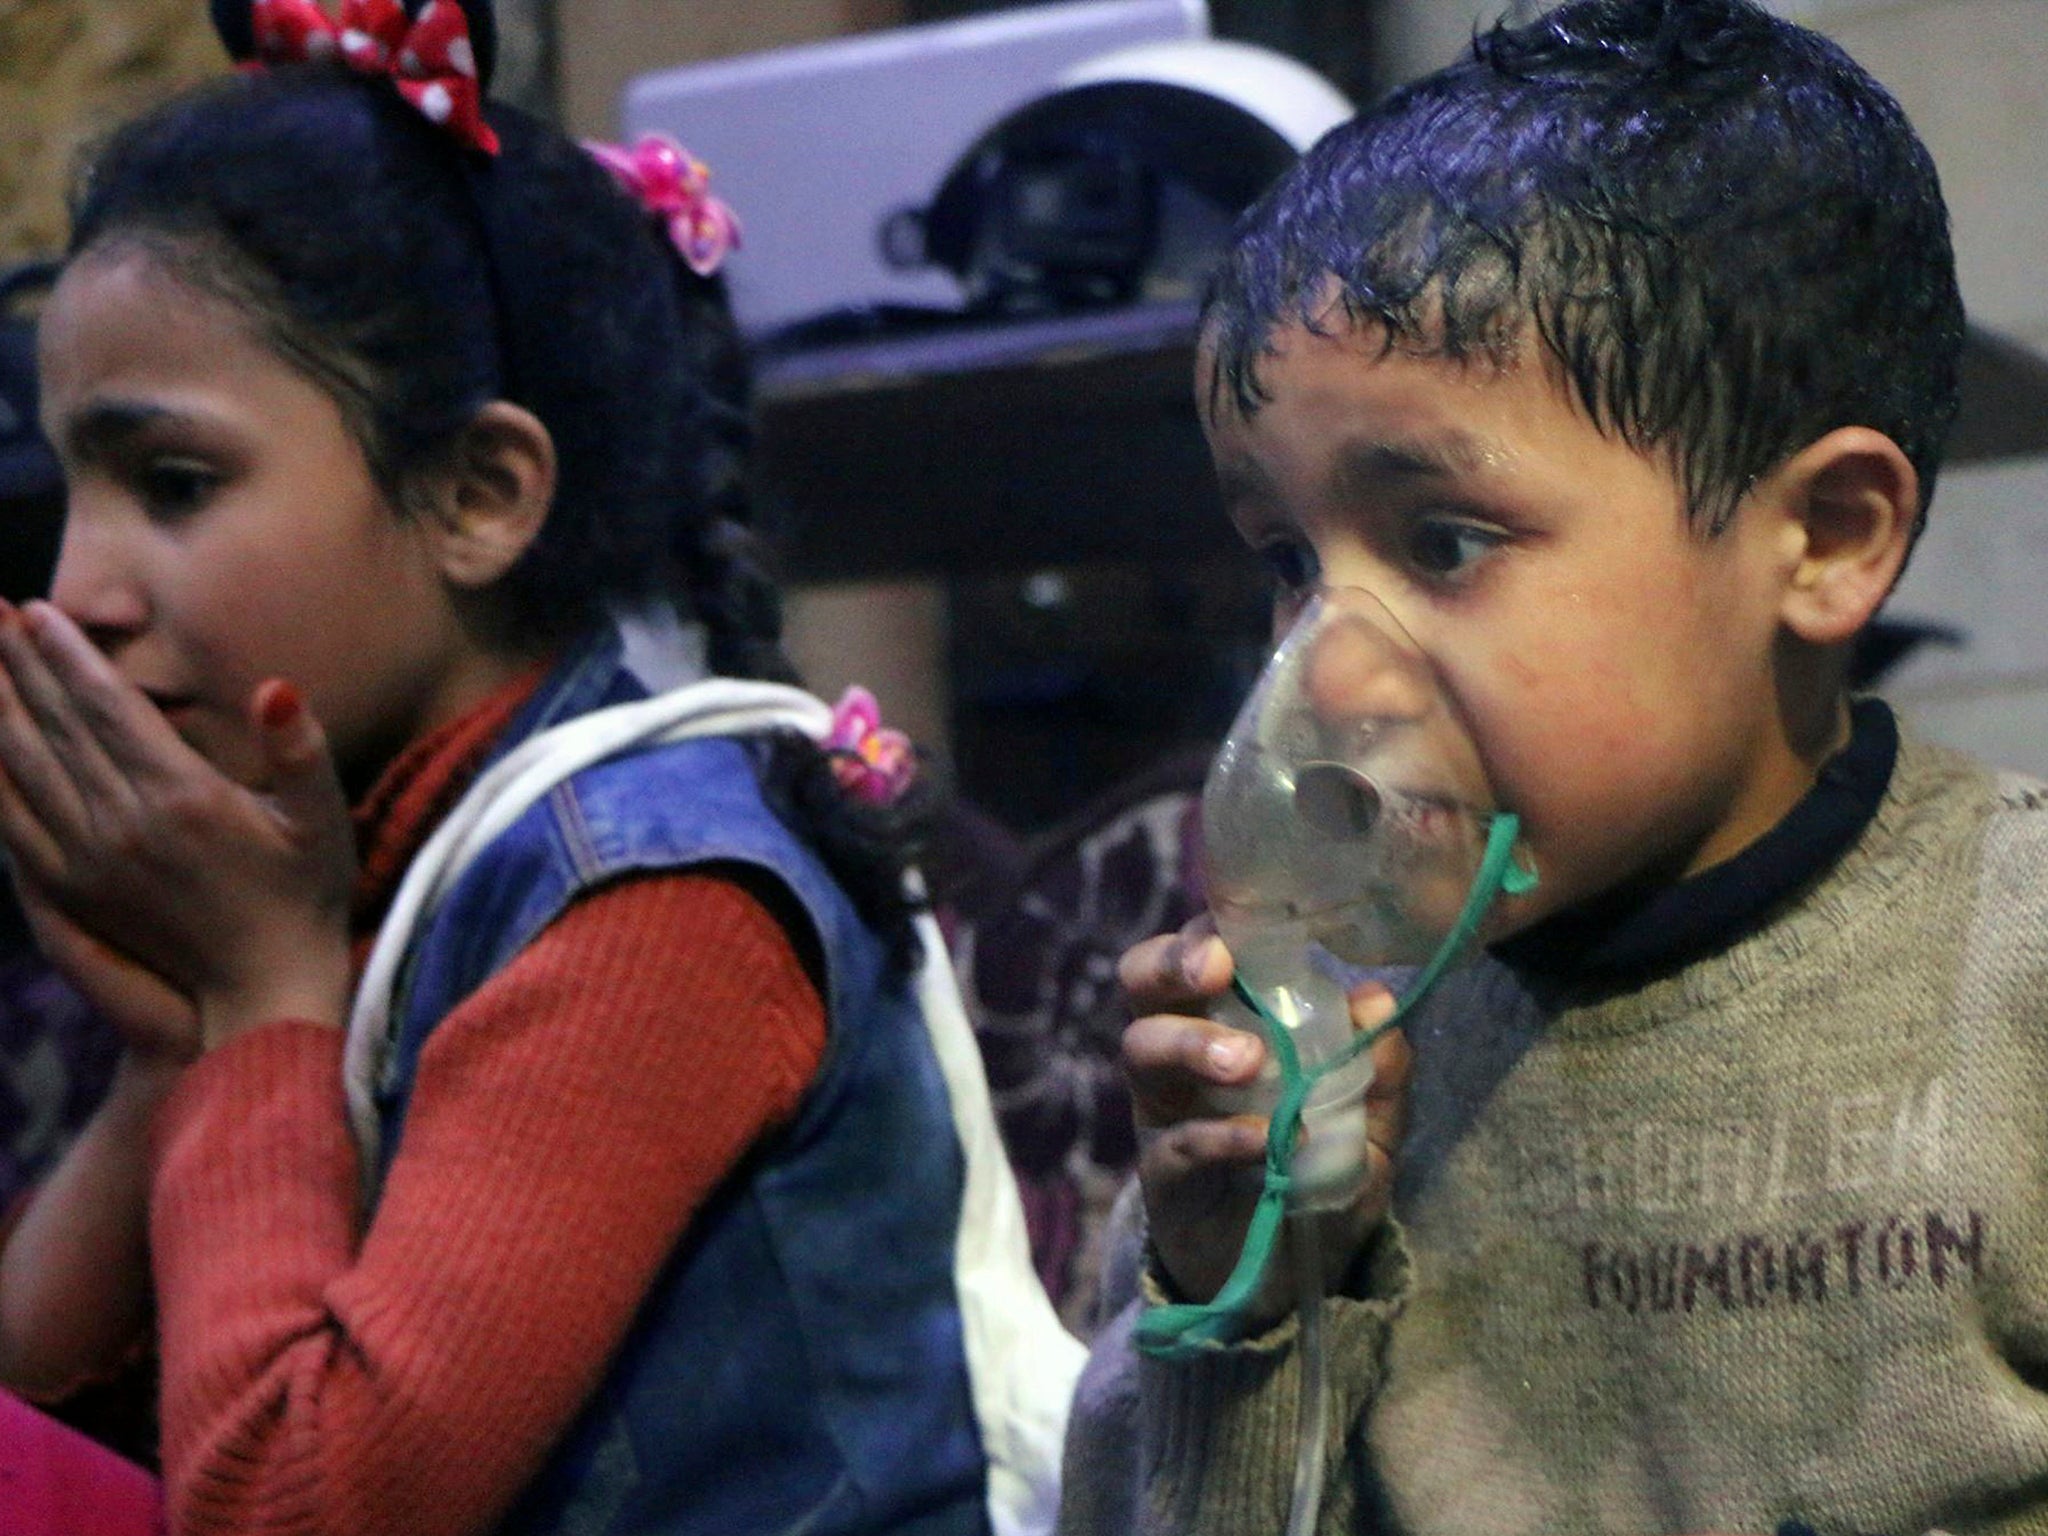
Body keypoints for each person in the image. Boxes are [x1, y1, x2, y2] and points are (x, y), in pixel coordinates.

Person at [0, 0, 1079, 1531]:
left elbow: (294, 1508)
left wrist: (257, 998)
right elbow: (37, 1427)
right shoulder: (344, 863)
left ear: (477, 494)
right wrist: (178, 1046)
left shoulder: (658, 900)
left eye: (173, 482)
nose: (76, 591)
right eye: (71, 494)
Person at [1057, 2, 2048, 1533]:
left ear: (1830, 539)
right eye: (1284, 562)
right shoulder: (1315, 1040)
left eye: (1444, 541)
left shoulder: (2016, 978)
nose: (1324, 669)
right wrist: (1230, 1291)